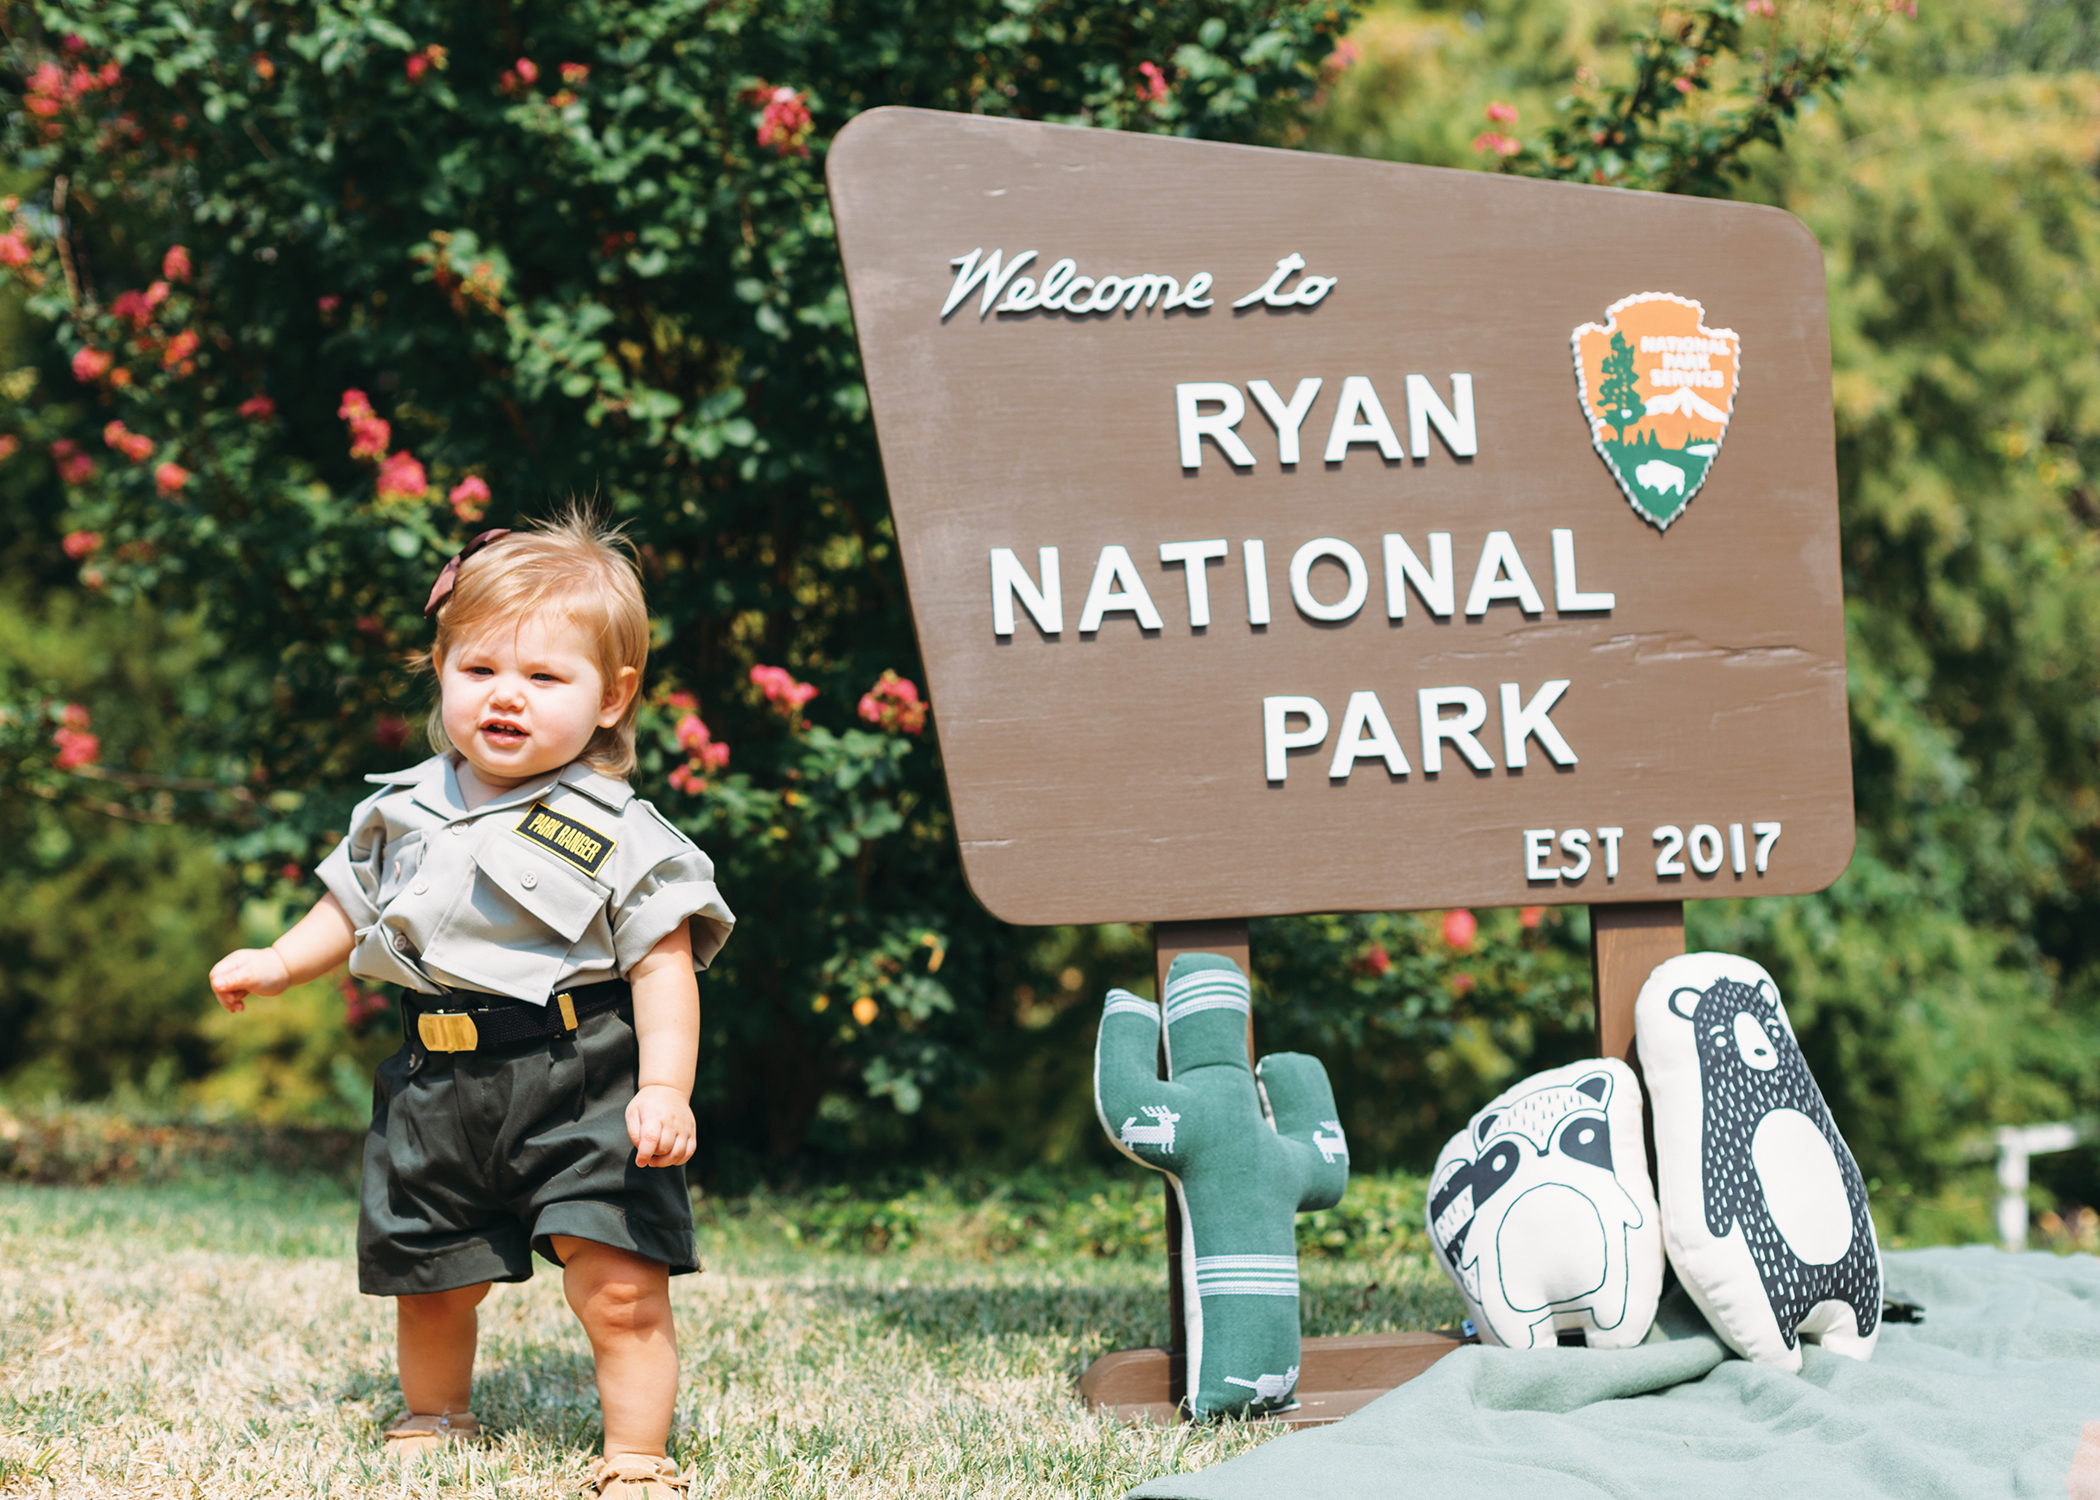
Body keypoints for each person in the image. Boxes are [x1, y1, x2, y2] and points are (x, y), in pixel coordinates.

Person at [208, 512, 733, 1500]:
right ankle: (436, 1412)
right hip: (436, 1079)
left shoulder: (622, 834)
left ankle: (636, 1455)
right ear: (441, 670)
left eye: (544, 676)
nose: (506, 695)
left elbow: (665, 965)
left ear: (613, 696)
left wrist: (665, 1088)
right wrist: (279, 962)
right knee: (432, 1276)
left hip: (581, 1077)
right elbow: (347, 906)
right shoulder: (399, 810)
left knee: (620, 1281)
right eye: (479, 668)